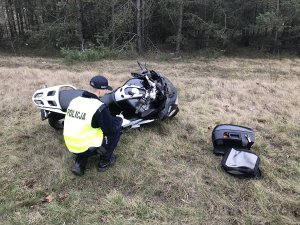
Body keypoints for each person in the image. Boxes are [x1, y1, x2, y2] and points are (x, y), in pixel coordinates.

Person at [63, 75, 123, 176]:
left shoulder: (75, 100)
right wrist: (120, 119)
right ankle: (104, 162)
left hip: (70, 144)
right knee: (116, 130)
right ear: (100, 91)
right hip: (85, 146)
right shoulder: (98, 107)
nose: (106, 92)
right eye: (105, 90)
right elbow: (109, 129)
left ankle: (80, 163)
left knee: (86, 132)